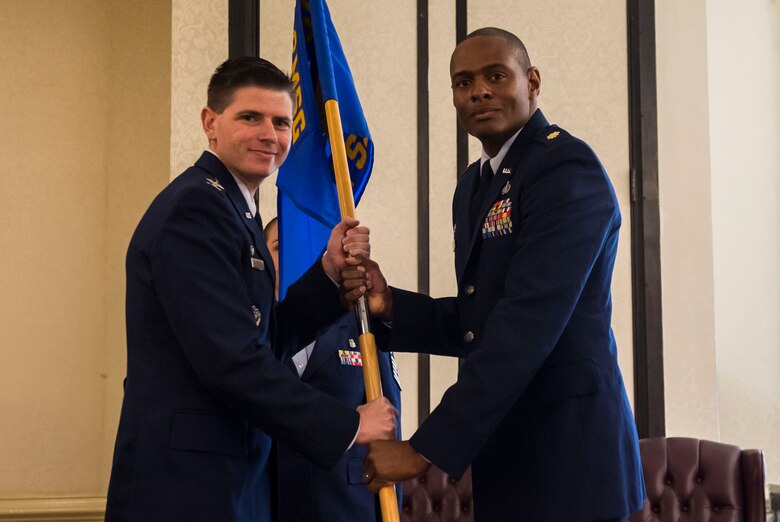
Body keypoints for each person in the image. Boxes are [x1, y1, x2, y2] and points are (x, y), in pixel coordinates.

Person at [351, 28, 646, 521]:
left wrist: (422, 449)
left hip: (571, 464)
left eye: (495, 76)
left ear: (532, 82)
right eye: (463, 82)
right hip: (507, 455)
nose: (479, 91)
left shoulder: (566, 167)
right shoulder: (474, 185)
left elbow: (526, 324)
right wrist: (391, 307)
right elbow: (479, 320)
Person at [105, 57, 397, 522]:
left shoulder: (232, 209)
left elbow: (263, 338)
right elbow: (232, 360)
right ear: (210, 123)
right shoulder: (196, 210)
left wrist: (327, 273)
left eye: (282, 122)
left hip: (226, 480)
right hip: (188, 487)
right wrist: (348, 423)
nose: (270, 135)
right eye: (250, 118)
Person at [264, 218, 402, 521]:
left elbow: (388, 424)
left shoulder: (362, 325)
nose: (291, 253)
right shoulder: (251, 329)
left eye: (303, 244)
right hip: (269, 502)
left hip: (344, 505)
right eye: (277, 247)